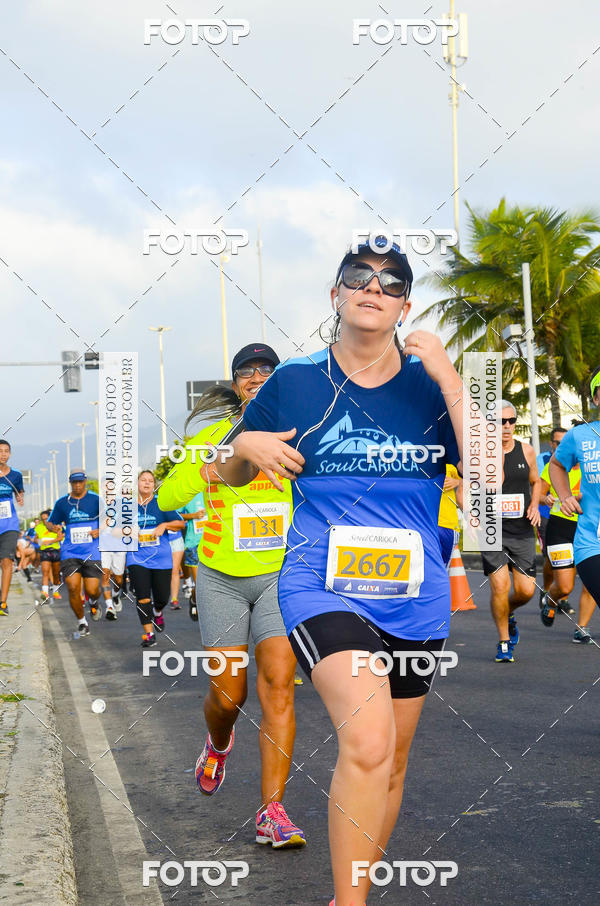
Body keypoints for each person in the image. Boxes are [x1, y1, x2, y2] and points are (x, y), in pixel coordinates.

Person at [213, 241, 463, 906]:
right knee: (369, 741)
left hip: (416, 597)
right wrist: (243, 444)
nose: (374, 287)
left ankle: (349, 895)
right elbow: (225, 470)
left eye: (392, 282)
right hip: (321, 585)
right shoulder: (295, 380)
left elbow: (488, 478)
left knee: (391, 762)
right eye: (359, 276)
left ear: (405, 305)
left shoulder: (431, 384)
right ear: (336, 295)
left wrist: (449, 376)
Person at [157, 343, 305, 850]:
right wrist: (205, 469)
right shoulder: (211, 437)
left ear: (280, 378)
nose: (257, 376)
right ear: (236, 382)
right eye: (247, 371)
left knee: (279, 686)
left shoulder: (301, 430)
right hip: (221, 577)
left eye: (267, 369)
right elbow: (167, 497)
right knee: (228, 697)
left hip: (281, 576)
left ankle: (272, 813)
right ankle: (218, 743)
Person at [480, 401, 541, 662]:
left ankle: (508, 612)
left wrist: (535, 504)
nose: (506, 426)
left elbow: (537, 482)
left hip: (522, 531)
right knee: (500, 587)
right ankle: (504, 642)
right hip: (492, 531)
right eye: (499, 422)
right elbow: (465, 485)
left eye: (510, 421)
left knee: (526, 591)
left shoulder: (526, 450)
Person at [549, 366, 600, 612]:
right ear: (596, 399)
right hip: (592, 543)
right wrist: (565, 495)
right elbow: (556, 464)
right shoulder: (580, 436)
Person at [127, 471, 185, 647]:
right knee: (143, 597)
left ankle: (158, 612)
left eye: (150, 481)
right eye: (143, 480)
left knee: (162, 598)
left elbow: (181, 523)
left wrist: (165, 525)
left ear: (154, 485)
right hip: (137, 558)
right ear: (137, 483)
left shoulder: (162, 504)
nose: (147, 483)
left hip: (161, 559)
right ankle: (149, 634)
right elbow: (113, 530)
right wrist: (127, 531)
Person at [47, 471, 103, 636]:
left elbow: (108, 519)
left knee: (92, 590)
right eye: (74, 482)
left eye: (80, 482)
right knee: (72, 587)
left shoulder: (95, 500)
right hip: (70, 552)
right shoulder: (62, 502)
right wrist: (54, 527)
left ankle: (93, 601)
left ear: (85, 482)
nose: (77, 485)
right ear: (70, 483)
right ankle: (82, 622)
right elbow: (50, 522)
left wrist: (100, 530)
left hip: (91, 551)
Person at [537, 428, 568, 606]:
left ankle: (562, 598)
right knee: (551, 558)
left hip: (571, 518)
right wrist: (544, 498)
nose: (562, 446)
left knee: (568, 559)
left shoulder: (575, 460)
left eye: (565, 442)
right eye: (558, 443)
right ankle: (548, 589)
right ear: (551, 443)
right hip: (547, 515)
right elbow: (537, 487)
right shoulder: (542, 460)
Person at [0, 439, 24, 615]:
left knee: (6, 561)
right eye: (0, 451)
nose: (3, 454)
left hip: (9, 524)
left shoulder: (16, 475)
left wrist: (20, 497)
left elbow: (19, 491)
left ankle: (3, 603)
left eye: (6, 451)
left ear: (10, 454)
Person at [178, 492, 206, 620]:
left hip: (213, 542)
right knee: (200, 584)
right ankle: (194, 600)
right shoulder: (188, 494)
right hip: (193, 543)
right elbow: (176, 515)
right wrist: (193, 515)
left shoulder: (212, 490)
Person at [438, 463, 463, 568]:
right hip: (422, 524)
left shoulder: (451, 461)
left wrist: (458, 482)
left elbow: (476, 480)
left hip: (447, 525)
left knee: (442, 569)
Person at [35, 510, 63, 602]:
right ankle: (45, 593)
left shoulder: (56, 526)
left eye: (46, 519)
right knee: (45, 572)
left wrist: (49, 541)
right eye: (43, 519)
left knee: (56, 574)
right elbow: (35, 539)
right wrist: (40, 542)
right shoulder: (39, 527)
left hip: (55, 551)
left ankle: (55, 591)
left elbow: (60, 537)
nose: (45, 521)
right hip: (45, 551)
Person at [167, 526, 185, 610]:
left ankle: (174, 599)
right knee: (158, 570)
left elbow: (182, 522)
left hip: (176, 539)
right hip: (159, 540)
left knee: (175, 570)